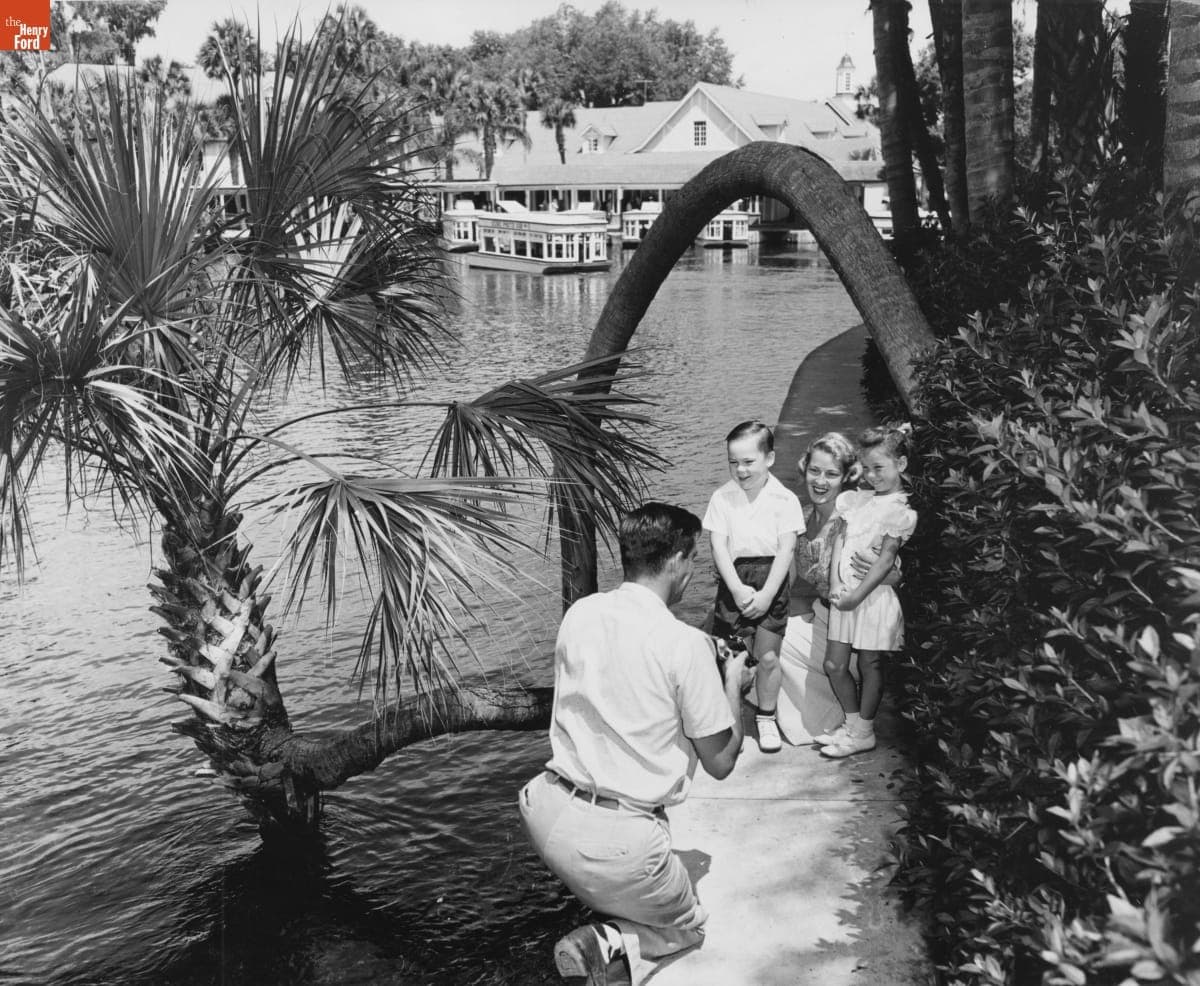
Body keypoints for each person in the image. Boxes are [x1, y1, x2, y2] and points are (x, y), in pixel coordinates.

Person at [519, 501, 749, 986]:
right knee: (688, 927)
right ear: (677, 561)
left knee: (613, 873)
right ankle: (607, 940)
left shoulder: (581, 613)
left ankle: (605, 920)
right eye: (693, 559)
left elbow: (625, 668)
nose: (693, 570)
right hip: (619, 844)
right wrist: (731, 683)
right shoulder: (683, 643)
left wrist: (699, 657)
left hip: (546, 812)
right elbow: (721, 761)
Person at [702, 420, 805, 753]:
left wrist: (767, 595)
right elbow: (718, 547)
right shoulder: (722, 497)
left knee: (769, 656)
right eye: (733, 462)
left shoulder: (784, 499)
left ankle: (766, 717)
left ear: (769, 458)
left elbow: (786, 551)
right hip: (735, 582)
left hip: (771, 582)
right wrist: (735, 588)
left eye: (748, 462)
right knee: (729, 652)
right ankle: (728, 720)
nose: (740, 470)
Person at [819, 424, 918, 758]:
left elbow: (886, 560)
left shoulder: (900, 510)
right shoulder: (857, 500)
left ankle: (864, 732)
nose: (872, 476)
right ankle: (852, 725)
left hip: (872, 599)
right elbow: (840, 540)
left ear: (900, 464)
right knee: (834, 664)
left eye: (879, 467)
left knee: (869, 664)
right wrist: (836, 583)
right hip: (844, 595)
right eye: (866, 468)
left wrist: (857, 596)